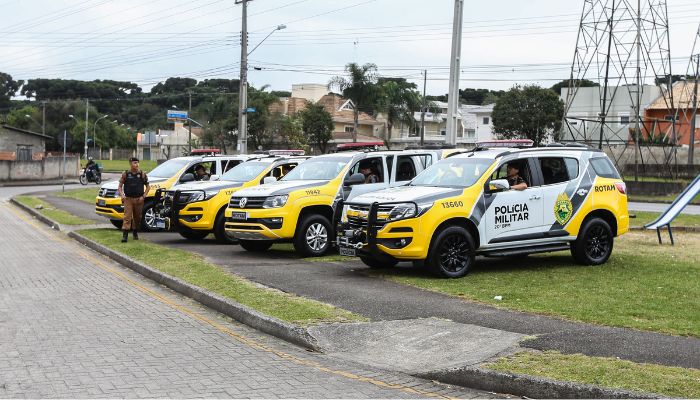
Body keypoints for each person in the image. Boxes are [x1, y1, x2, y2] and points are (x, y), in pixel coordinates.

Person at [118, 157, 150, 242]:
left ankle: (135, 231)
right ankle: (125, 236)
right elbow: (120, 186)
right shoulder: (125, 174)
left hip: (139, 199)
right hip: (128, 199)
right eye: (135, 163)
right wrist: (122, 196)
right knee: (127, 217)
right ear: (130, 164)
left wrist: (143, 196)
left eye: (137, 163)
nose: (137, 164)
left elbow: (148, 187)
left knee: (137, 218)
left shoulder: (142, 174)